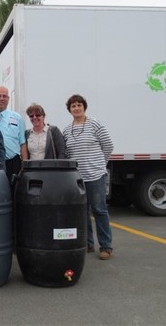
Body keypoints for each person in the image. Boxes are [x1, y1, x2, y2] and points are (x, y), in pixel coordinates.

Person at [63, 94, 114, 260]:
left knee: (99, 210)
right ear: (69, 110)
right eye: (73, 106)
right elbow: (67, 154)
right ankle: (88, 243)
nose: (76, 108)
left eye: (79, 105)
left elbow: (108, 146)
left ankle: (106, 246)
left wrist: (100, 164)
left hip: (96, 175)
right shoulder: (67, 130)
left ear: (84, 107)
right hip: (77, 178)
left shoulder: (95, 124)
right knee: (81, 212)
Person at [0, 86, 27, 179]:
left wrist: (25, 165)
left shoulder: (17, 118)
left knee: (14, 191)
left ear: (8, 99)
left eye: (4, 96)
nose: (1, 99)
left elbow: (22, 143)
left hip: (13, 162)